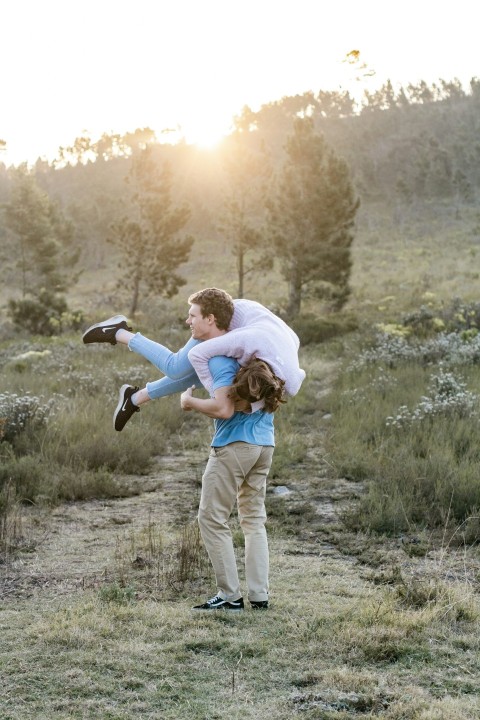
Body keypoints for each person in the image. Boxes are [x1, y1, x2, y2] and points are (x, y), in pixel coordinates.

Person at [178, 288, 281, 611]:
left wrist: (188, 401)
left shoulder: (219, 357)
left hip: (235, 446)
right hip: (265, 443)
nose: (188, 321)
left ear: (211, 319)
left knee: (211, 518)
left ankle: (229, 595)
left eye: (193, 316)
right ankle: (259, 595)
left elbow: (224, 410)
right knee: (253, 521)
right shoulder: (248, 353)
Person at [82, 291, 305, 431]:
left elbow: (294, 344)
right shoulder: (242, 338)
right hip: (230, 317)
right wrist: (213, 391)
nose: (186, 320)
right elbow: (197, 357)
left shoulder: (291, 382)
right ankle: (118, 332)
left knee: (216, 371)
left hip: (276, 334)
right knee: (177, 366)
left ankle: (133, 397)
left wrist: (245, 402)